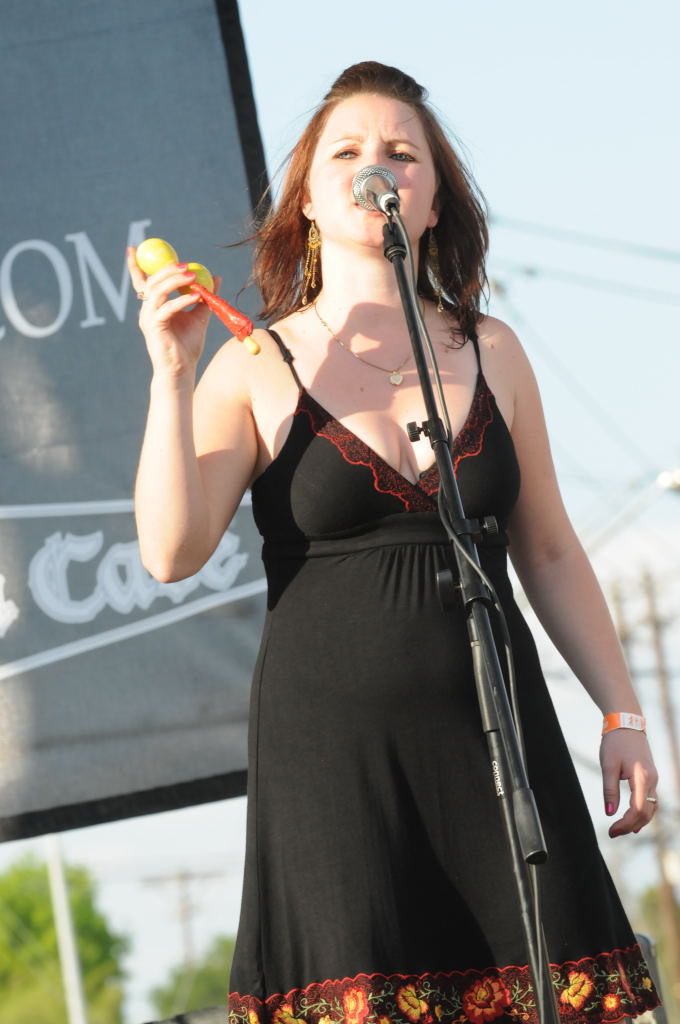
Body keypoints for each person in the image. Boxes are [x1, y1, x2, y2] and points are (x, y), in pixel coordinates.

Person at [128, 61, 661, 1024]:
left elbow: (548, 550)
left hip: (500, 743)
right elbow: (171, 551)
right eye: (346, 150)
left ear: (433, 200)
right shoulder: (255, 360)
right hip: (336, 765)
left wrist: (621, 713)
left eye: (402, 153)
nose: (375, 164)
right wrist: (171, 374)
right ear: (305, 199)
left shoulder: (492, 349)